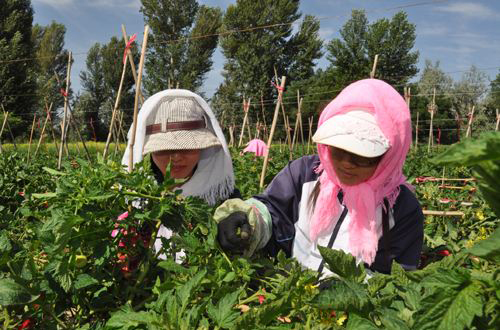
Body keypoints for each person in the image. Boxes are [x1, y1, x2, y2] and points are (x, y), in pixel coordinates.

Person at [215, 79, 424, 275]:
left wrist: (348, 291)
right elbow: (272, 210)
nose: (346, 163)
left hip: (350, 311)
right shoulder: (305, 173)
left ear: (390, 155)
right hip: (290, 292)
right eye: (338, 150)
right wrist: (249, 221)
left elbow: (396, 277)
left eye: (362, 156)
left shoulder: (402, 209)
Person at [122, 89, 240, 260]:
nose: (176, 157)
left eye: (188, 147)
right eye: (165, 149)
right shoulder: (135, 199)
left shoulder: (223, 199)